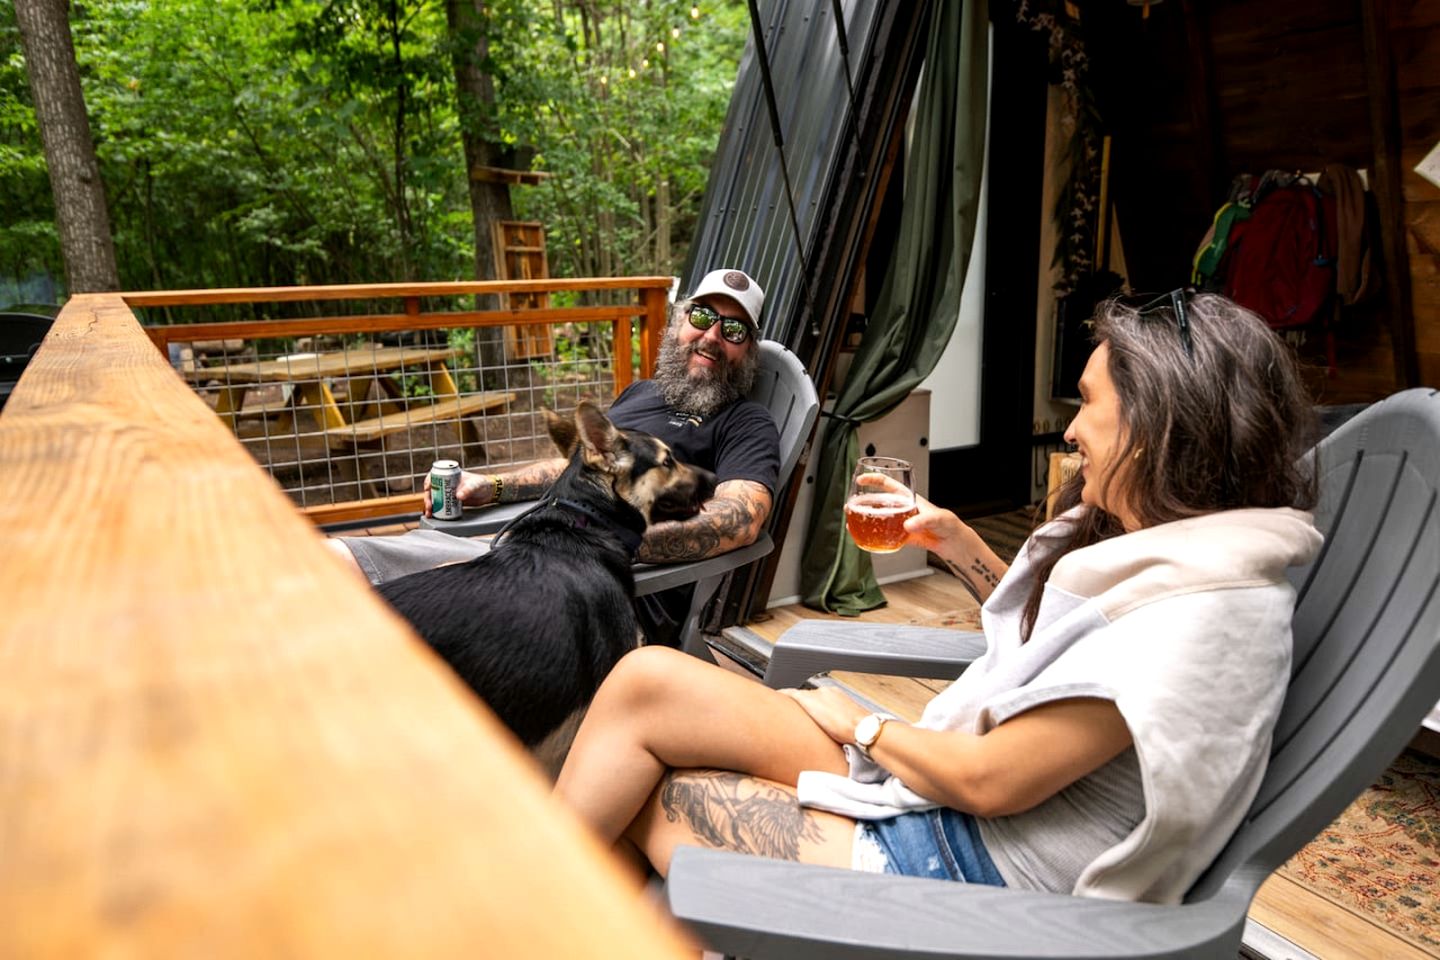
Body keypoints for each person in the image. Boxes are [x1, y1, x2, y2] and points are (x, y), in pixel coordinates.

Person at [553, 291, 1323, 904]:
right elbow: (1046, 640)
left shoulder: (1191, 617)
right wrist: (957, 543)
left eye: (1087, 402)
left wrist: (864, 723)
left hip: (959, 865)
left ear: (1156, 423)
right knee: (647, 681)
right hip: (937, 781)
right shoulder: (1188, 554)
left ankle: (535, 918)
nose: (1069, 432)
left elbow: (989, 782)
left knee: (643, 790)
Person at [325, 268, 781, 645]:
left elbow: (741, 518)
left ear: (748, 351)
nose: (712, 336)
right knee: (336, 559)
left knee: (413, 613)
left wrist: (611, 539)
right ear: (679, 322)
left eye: (733, 330)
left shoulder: (745, 421)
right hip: (524, 547)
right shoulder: (641, 393)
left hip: (599, 590)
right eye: (702, 316)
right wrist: (492, 486)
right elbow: (576, 466)